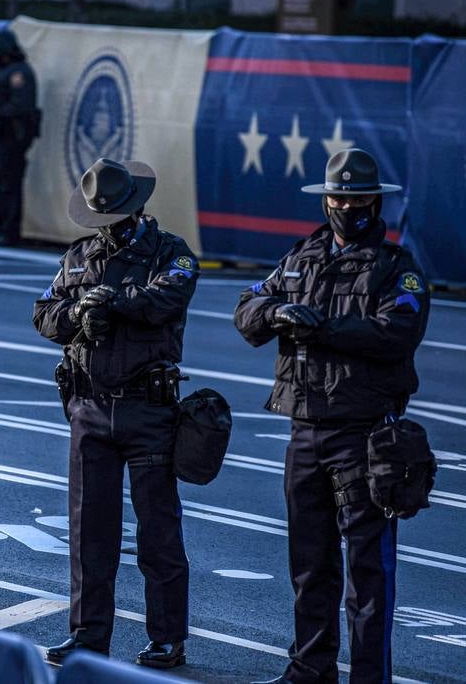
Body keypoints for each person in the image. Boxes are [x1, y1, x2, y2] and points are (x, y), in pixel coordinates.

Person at [234, 148, 429, 684]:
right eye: (338, 198)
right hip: (304, 430)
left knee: (368, 573)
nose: (346, 208)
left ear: (375, 202)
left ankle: (369, 678)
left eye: (357, 199)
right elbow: (246, 309)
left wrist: (320, 327)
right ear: (325, 200)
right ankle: (310, 669)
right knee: (309, 563)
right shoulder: (302, 255)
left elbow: (397, 333)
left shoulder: (397, 268)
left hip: (364, 435)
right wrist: (277, 311)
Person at [32, 157, 197, 670]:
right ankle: (87, 636)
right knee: (89, 533)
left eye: (116, 217)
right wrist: (79, 313)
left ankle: (167, 638)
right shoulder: (79, 256)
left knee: (157, 532)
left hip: (147, 408)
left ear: (137, 207)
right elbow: (43, 313)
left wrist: (113, 303)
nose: (109, 226)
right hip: (90, 407)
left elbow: (168, 298)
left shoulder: (170, 252)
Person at [0, 28, 39, 246]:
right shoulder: (2, 72)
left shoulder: (19, 73)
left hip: (13, 135)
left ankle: (10, 231)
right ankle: (0, 228)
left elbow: (21, 105)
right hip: (0, 135)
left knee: (10, 183)